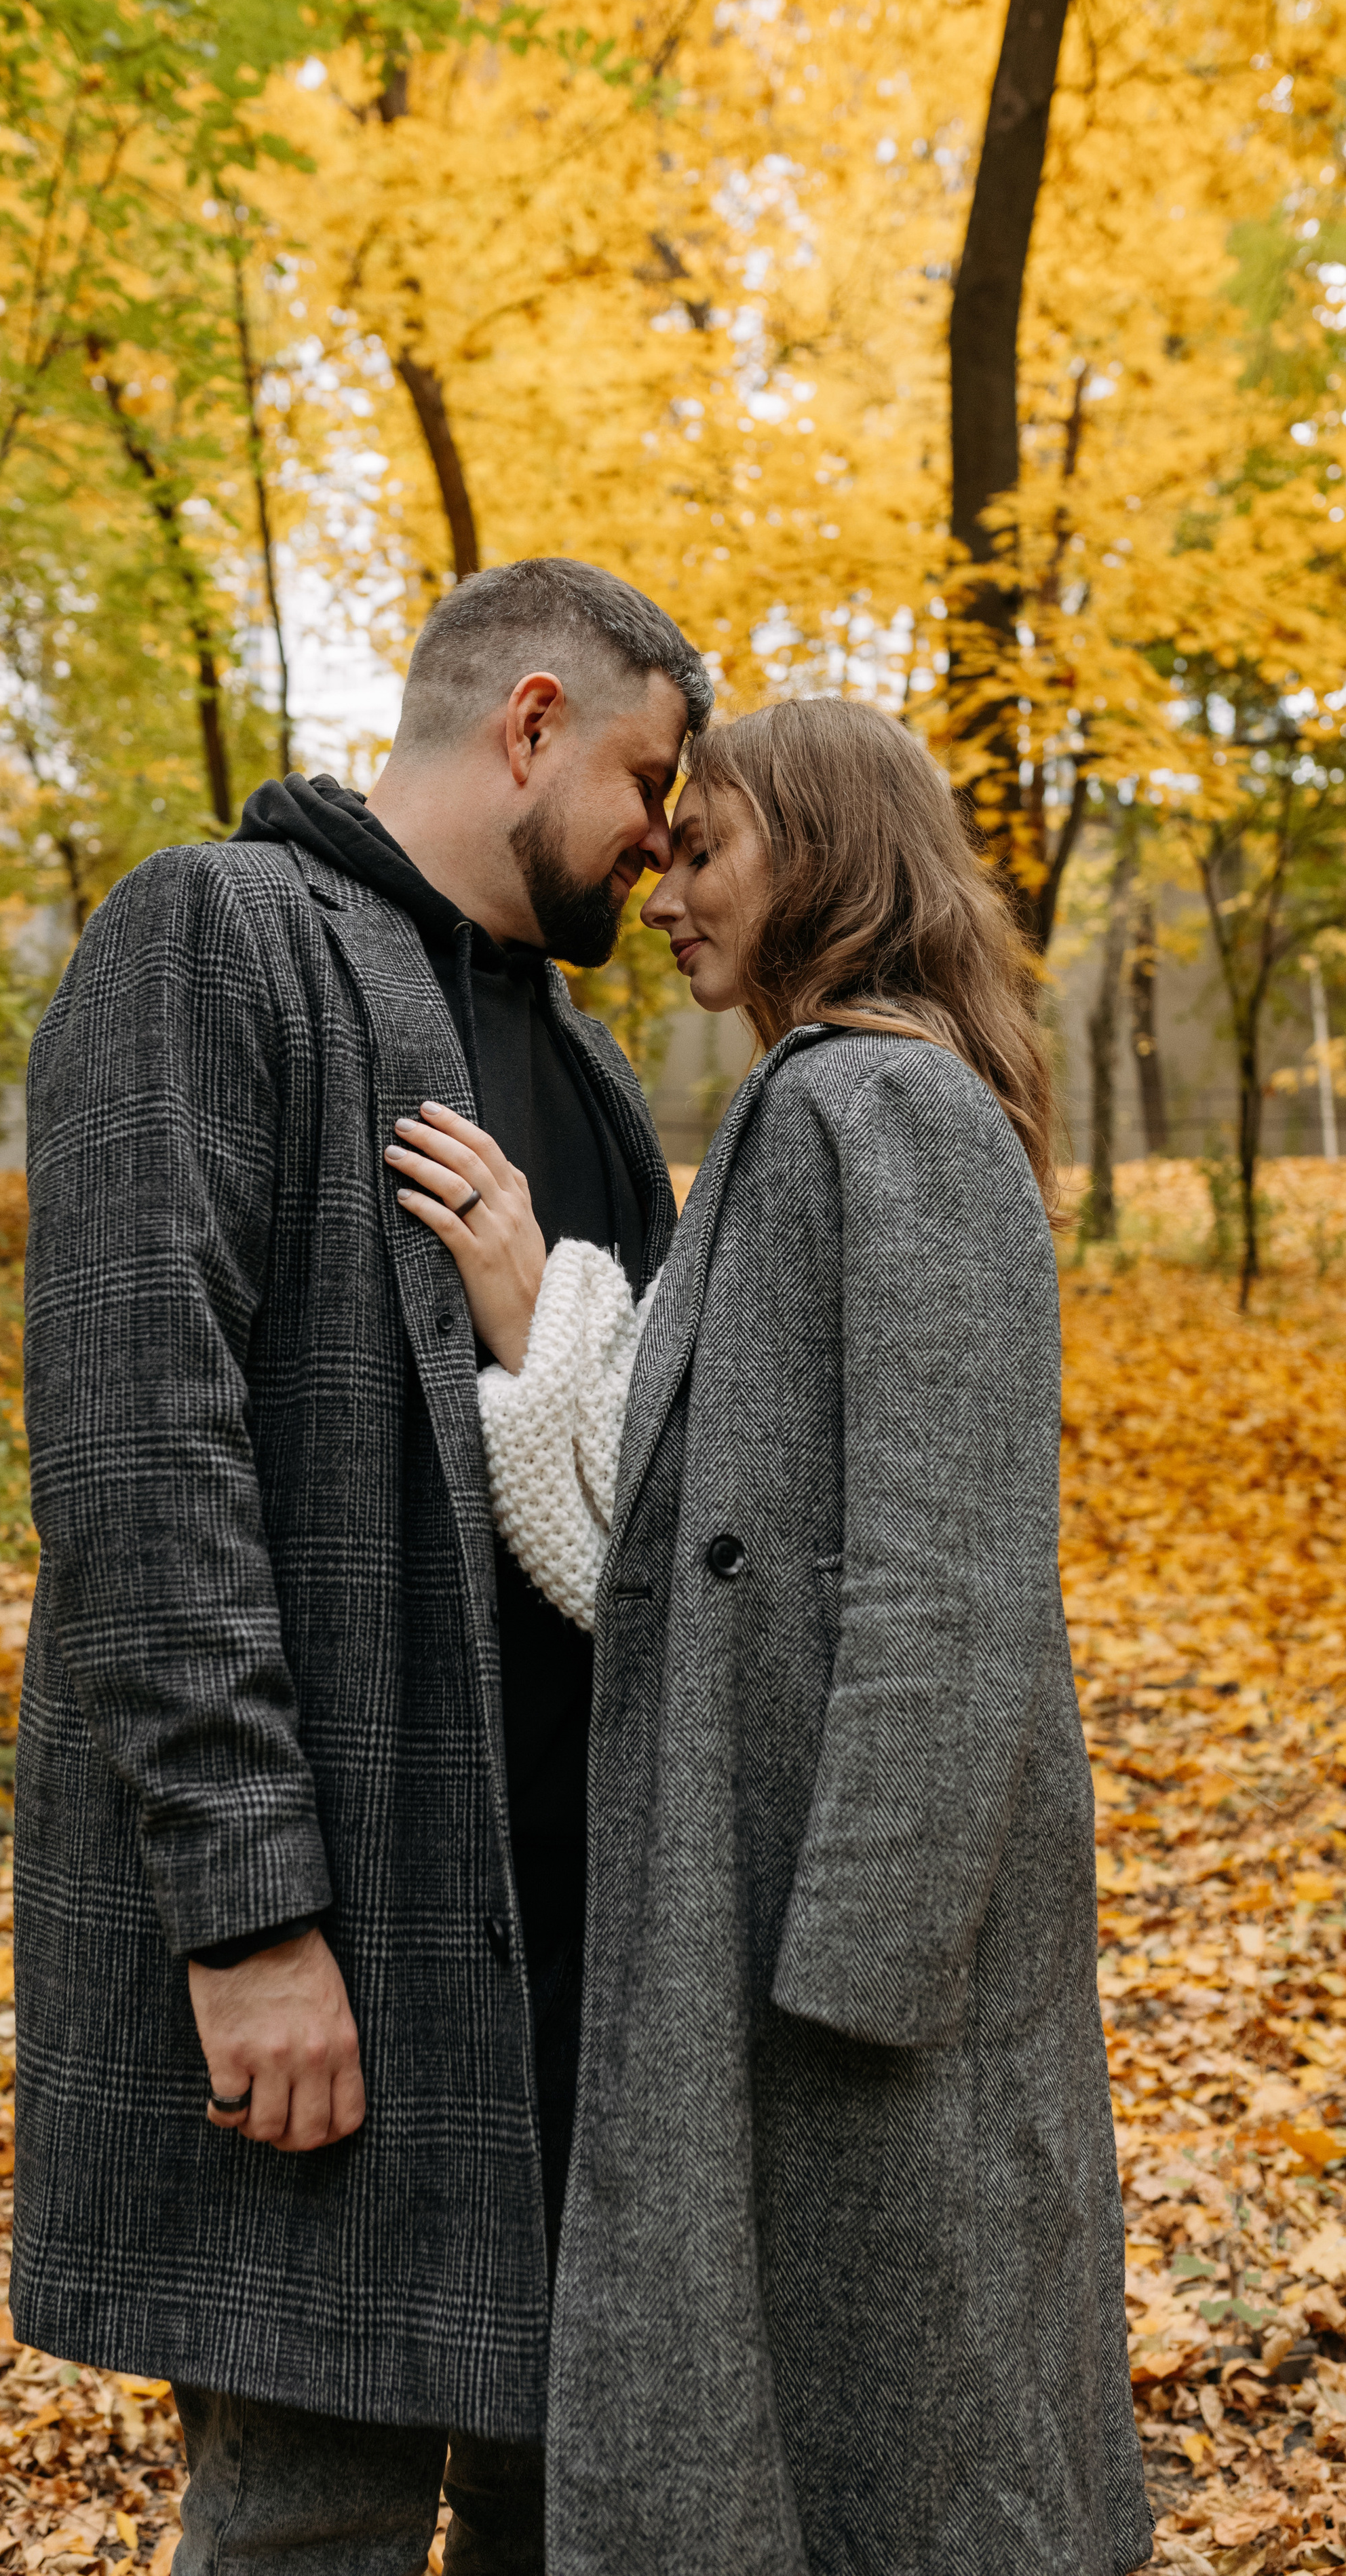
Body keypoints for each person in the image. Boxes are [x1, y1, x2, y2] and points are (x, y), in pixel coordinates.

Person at [385, 698, 1154, 2576]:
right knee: (836, 2446)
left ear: (828, 854)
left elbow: (951, 1574)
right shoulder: (801, 1106)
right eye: (659, 853)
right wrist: (534, 1305)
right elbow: (688, 1528)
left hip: (856, 1939)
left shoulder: (885, 1105)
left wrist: (860, 1972)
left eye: (703, 848)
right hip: (769, 1907)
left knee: (929, 2448)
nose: (661, 891)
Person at [12, 558, 712, 2575]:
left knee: (567, 2518)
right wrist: (248, 1928)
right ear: (533, 724)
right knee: (308, 2524)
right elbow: (142, 1455)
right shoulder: (219, 940)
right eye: (649, 775)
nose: (663, 837)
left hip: (564, 1973)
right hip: (333, 1958)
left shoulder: (582, 1073)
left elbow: (625, 1482)